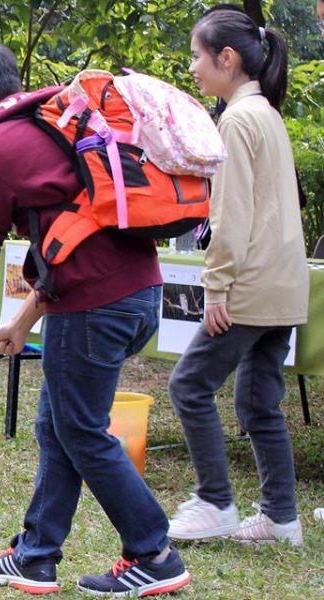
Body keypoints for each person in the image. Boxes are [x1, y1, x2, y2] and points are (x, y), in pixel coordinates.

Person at [0, 40, 190, 597]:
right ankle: (35, 555)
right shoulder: (51, 122)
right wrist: (22, 323)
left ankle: (155, 552)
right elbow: (68, 237)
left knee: (79, 430)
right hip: (136, 293)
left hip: (96, 306)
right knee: (59, 426)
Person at [167, 6, 309, 546]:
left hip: (250, 285)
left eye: (198, 57)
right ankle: (280, 519)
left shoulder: (236, 119)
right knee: (256, 403)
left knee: (188, 385)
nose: (194, 67)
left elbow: (232, 217)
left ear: (227, 59)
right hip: (283, 285)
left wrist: (216, 286)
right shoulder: (266, 114)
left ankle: (215, 502)